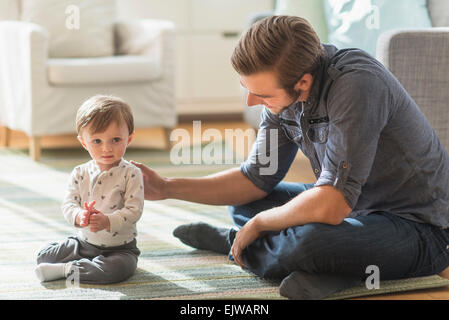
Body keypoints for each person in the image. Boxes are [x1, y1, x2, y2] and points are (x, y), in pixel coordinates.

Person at [132, 15, 449, 299]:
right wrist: (168, 187)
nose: (252, 101)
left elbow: (332, 204)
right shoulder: (283, 97)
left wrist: (259, 224)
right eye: (247, 88)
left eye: (263, 94)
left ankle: (241, 244)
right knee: (244, 203)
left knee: (309, 242)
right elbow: (255, 179)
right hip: (352, 207)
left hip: (418, 226)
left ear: (304, 83)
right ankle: (326, 270)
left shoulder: (356, 85)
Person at [35, 95, 144, 284]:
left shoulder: (131, 173)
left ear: (129, 139)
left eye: (116, 139)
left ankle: (67, 269)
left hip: (120, 249)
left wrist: (107, 221)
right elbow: (69, 203)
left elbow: (134, 211)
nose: (107, 149)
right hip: (83, 243)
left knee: (117, 270)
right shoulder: (80, 172)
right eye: (97, 141)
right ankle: (84, 262)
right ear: (84, 143)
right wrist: (79, 216)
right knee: (43, 256)